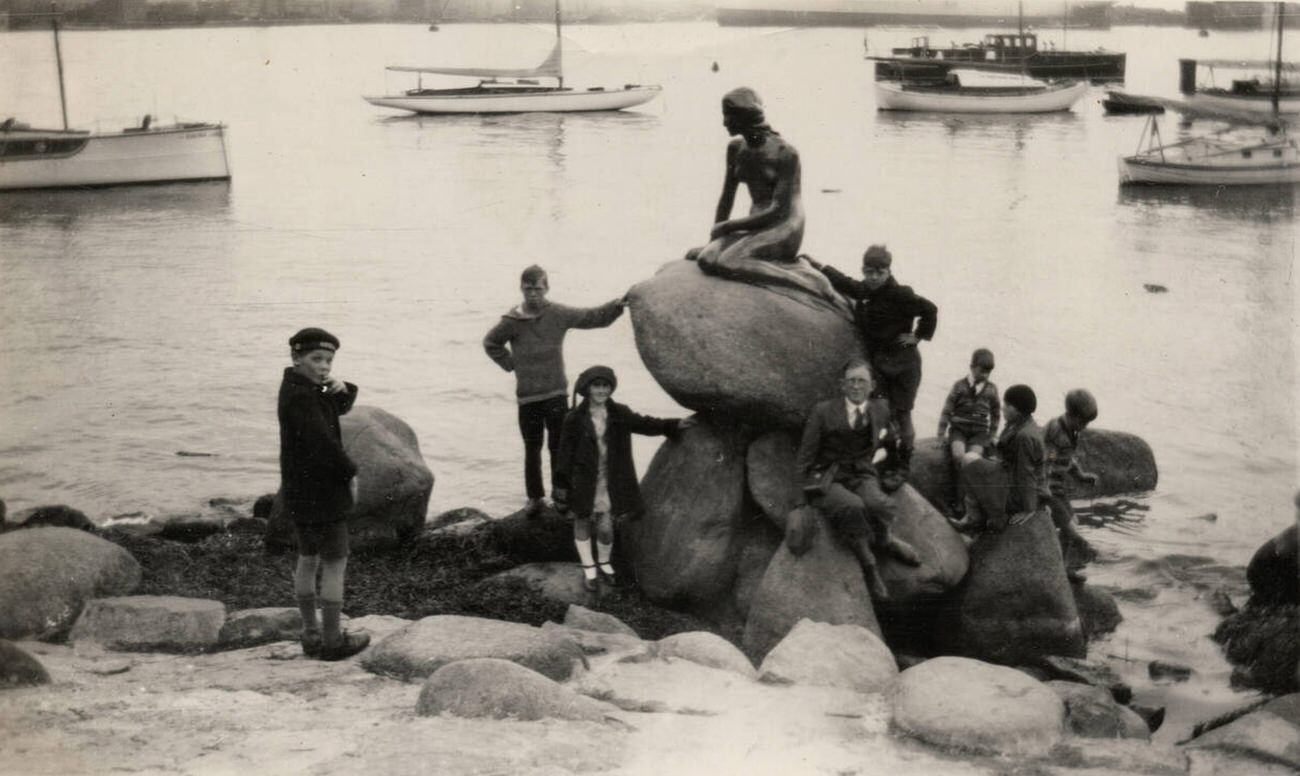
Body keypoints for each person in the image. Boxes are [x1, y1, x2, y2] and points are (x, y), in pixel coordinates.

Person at [684, 87, 851, 320]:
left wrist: (729, 227)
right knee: (707, 259)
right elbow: (726, 198)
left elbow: (778, 210)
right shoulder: (735, 148)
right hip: (756, 222)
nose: (724, 122)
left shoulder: (786, 152)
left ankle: (807, 280)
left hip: (785, 224)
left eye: (728, 116)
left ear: (744, 118)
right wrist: (714, 237)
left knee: (730, 262)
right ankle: (774, 264)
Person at [484, 265, 626, 517]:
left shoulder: (558, 313)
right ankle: (534, 498)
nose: (533, 295)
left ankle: (563, 498)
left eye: (538, 289)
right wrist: (510, 364)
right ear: (521, 289)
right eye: (528, 290)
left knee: (560, 448)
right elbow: (491, 342)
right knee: (532, 449)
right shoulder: (511, 322)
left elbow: (591, 317)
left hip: (556, 393)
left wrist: (617, 306)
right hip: (528, 397)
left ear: (546, 289)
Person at [552, 366, 694, 592]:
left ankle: (605, 562)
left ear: (611, 388)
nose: (601, 390)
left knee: (606, 526)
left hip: (609, 480)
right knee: (582, 521)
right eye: (596, 386)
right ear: (587, 388)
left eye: (605, 385)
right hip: (583, 480)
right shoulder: (573, 418)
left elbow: (645, 424)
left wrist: (673, 425)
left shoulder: (620, 413)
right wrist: (561, 487)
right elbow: (564, 455)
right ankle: (589, 567)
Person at [806, 245, 938, 480]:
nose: (874, 277)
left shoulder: (901, 295)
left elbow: (930, 309)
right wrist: (819, 266)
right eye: (869, 272)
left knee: (903, 414)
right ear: (864, 271)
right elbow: (846, 283)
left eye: (879, 272)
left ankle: (902, 465)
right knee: (880, 412)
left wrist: (917, 337)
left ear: (888, 271)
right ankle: (887, 456)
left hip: (904, 365)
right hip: (881, 364)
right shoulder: (866, 289)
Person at [796, 358, 922, 601]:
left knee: (879, 504)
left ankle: (886, 540)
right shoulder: (822, 412)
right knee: (852, 507)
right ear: (842, 385)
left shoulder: (881, 409)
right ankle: (869, 566)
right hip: (828, 476)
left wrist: (895, 468)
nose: (856, 386)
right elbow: (805, 456)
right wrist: (799, 500)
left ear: (872, 385)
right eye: (851, 381)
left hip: (862, 472)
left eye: (861, 381)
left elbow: (892, 441)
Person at [278, 327, 369, 661]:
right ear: (296, 357)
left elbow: (335, 409)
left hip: (300, 493)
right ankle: (332, 642)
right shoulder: (304, 396)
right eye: (316, 359)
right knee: (335, 562)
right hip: (325, 493)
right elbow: (324, 443)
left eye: (329, 360)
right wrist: (351, 472)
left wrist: (344, 390)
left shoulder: (295, 388)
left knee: (307, 559)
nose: (324, 366)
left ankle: (310, 635)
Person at [954, 384, 1048, 533]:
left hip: (1018, 492)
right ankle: (975, 517)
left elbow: (1026, 473)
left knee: (968, 460)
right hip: (1013, 478)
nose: (1003, 408)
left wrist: (1029, 508)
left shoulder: (1025, 436)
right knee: (973, 459)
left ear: (1019, 409)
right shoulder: (1020, 423)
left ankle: (974, 518)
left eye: (1008, 405)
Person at [1044, 389, 1101, 582]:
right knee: (1071, 530)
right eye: (1084, 422)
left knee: (1073, 523)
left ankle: (1063, 568)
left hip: (1058, 490)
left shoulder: (1072, 432)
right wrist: (1043, 492)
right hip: (1048, 491)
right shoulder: (1056, 431)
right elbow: (1049, 459)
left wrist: (1081, 476)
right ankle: (1080, 553)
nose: (1085, 427)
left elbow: (1068, 460)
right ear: (1072, 415)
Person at [936, 348, 1001, 515]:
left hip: (979, 433)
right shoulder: (959, 386)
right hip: (959, 429)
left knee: (971, 461)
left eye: (988, 372)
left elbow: (996, 413)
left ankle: (965, 502)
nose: (985, 375)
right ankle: (956, 499)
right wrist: (941, 434)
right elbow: (947, 409)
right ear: (972, 367)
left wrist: (992, 435)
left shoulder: (992, 389)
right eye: (982, 370)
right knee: (958, 456)